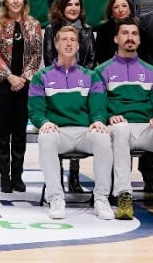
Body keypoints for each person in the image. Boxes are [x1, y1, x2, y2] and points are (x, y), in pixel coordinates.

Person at [27, 25, 112, 220]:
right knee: (46, 137)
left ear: (78, 45)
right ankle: (56, 198)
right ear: (56, 44)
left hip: (84, 132)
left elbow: (98, 107)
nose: (68, 43)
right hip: (58, 132)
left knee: (103, 137)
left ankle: (101, 198)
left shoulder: (91, 76)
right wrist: (44, 122)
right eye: (64, 40)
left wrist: (98, 121)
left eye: (73, 40)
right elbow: (35, 109)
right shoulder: (42, 77)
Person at [100, 21, 153, 222]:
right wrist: (109, 116)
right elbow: (98, 104)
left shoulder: (152, 71)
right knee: (120, 128)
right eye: (125, 33)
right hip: (118, 125)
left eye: (134, 33)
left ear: (139, 40)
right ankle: (123, 195)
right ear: (116, 39)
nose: (130, 37)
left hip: (146, 126)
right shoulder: (102, 70)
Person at [0, 0, 44, 193]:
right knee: (3, 131)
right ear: (5, 1)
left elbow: (37, 54)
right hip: (1, 85)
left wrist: (24, 78)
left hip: (25, 85)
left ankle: (18, 176)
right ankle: (4, 176)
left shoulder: (34, 24)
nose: (16, 1)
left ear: (24, 1)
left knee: (19, 132)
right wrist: (10, 77)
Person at [43, 0, 96, 193]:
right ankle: (56, 179)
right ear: (61, 7)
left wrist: (81, 78)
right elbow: (49, 58)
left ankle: (74, 177)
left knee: (78, 125)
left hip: (81, 86)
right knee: (57, 130)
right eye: (69, 4)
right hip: (57, 85)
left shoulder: (87, 30)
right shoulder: (51, 29)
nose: (73, 8)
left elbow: (91, 58)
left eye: (77, 5)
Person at [94, 0, 138, 65]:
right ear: (111, 11)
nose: (121, 10)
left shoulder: (140, 27)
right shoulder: (102, 29)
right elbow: (101, 57)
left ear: (130, 8)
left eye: (124, 6)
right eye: (116, 7)